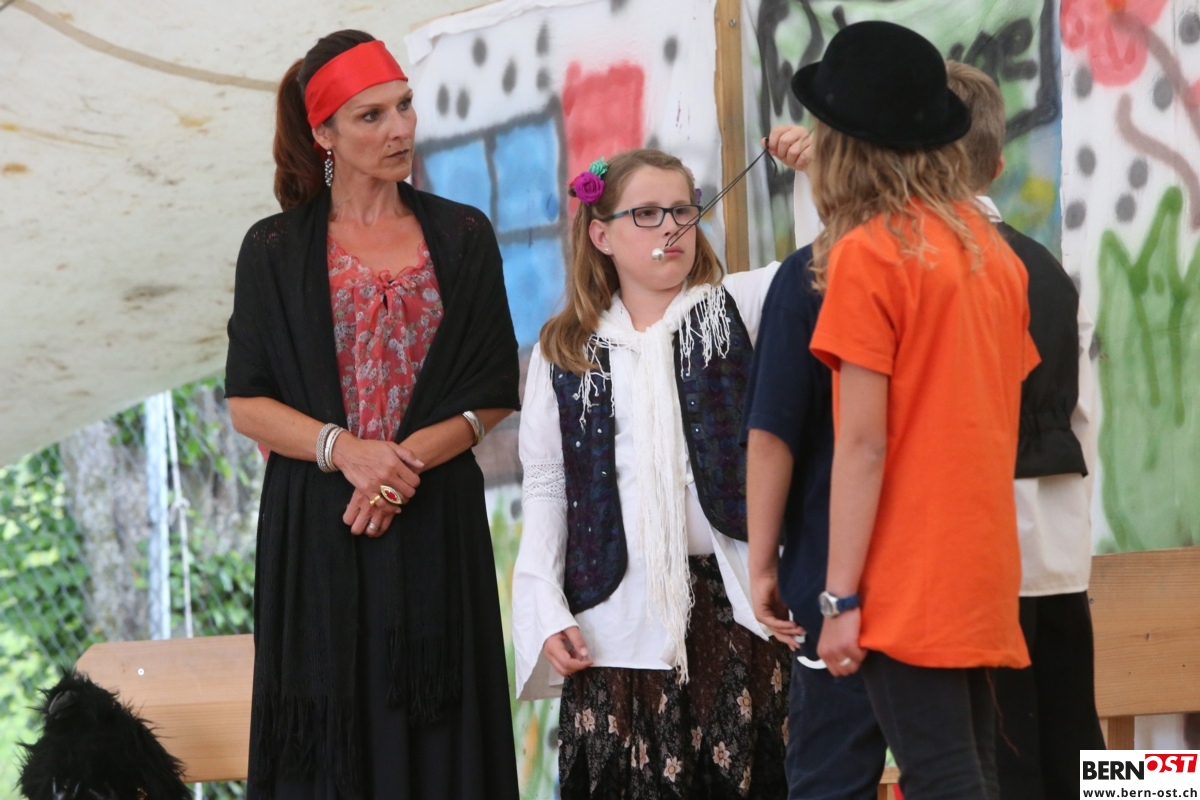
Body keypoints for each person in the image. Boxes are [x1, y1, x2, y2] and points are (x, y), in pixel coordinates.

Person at [223, 30, 521, 799]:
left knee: (443, 737)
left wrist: (399, 467)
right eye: (371, 116)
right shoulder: (273, 249)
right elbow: (247, 402)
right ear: (323, 134)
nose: (399, 129)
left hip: (437, 525)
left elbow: (493, 386)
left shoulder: (462, 235)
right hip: (318, 534)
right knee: (327, 745)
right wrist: (347, 451)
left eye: (405, 106)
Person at [795, 21, 1038, 800]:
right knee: (971, 772)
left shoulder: (869, 254)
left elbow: (863, 444)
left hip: (907, 568)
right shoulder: (991, 254)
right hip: (982, 561)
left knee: (943, 779)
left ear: (842, 145)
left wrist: (839, 598)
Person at [513, 148, 790, 798]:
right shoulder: (566, 350)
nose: (671, 226)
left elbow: (839, 260)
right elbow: (549, 485)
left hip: (732, 611)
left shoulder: (739, 307)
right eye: (646, 213)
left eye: (682, 210)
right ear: (601, 234)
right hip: (613, 621)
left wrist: (815, 168)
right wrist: (544, 604)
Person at [945, 60, 1106, 800]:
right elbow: (1084, 417)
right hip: (1059, 556)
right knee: (1079, 751)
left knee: (1000, 766)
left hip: (977, 564)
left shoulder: (930, 267)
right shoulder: (1047, 270)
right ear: (999, 165)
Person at [744, 125, 888, 800]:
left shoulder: (813, 277)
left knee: (831, 779)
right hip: (949, 577)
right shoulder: (978, 266)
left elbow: (773, 434)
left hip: (836, 578)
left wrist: (764, 566)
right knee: (958, 770)